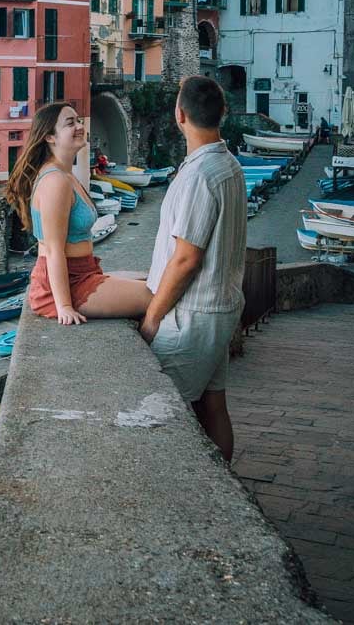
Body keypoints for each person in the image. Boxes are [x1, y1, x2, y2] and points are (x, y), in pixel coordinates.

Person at [140, 75, 247, 461]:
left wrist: (153, 317)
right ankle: (227, 487)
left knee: (163, 409)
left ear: (179, 114)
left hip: (193, 314)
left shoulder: (199, 176)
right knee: (212, 404)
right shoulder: (230, 166)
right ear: (223, 113)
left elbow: (186, 258)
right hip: (221, 306)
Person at [6, 102, 152, 326]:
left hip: (84, 272)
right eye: (70, 123)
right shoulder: (55, 181)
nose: (79, 126)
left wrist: (81, 142)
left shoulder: (67, 175)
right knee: (157, 296)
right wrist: (64, 306)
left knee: (159, 280)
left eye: (79, 121)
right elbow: (54, 250)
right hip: (67, 283)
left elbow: (83, 167)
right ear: (50, 137)